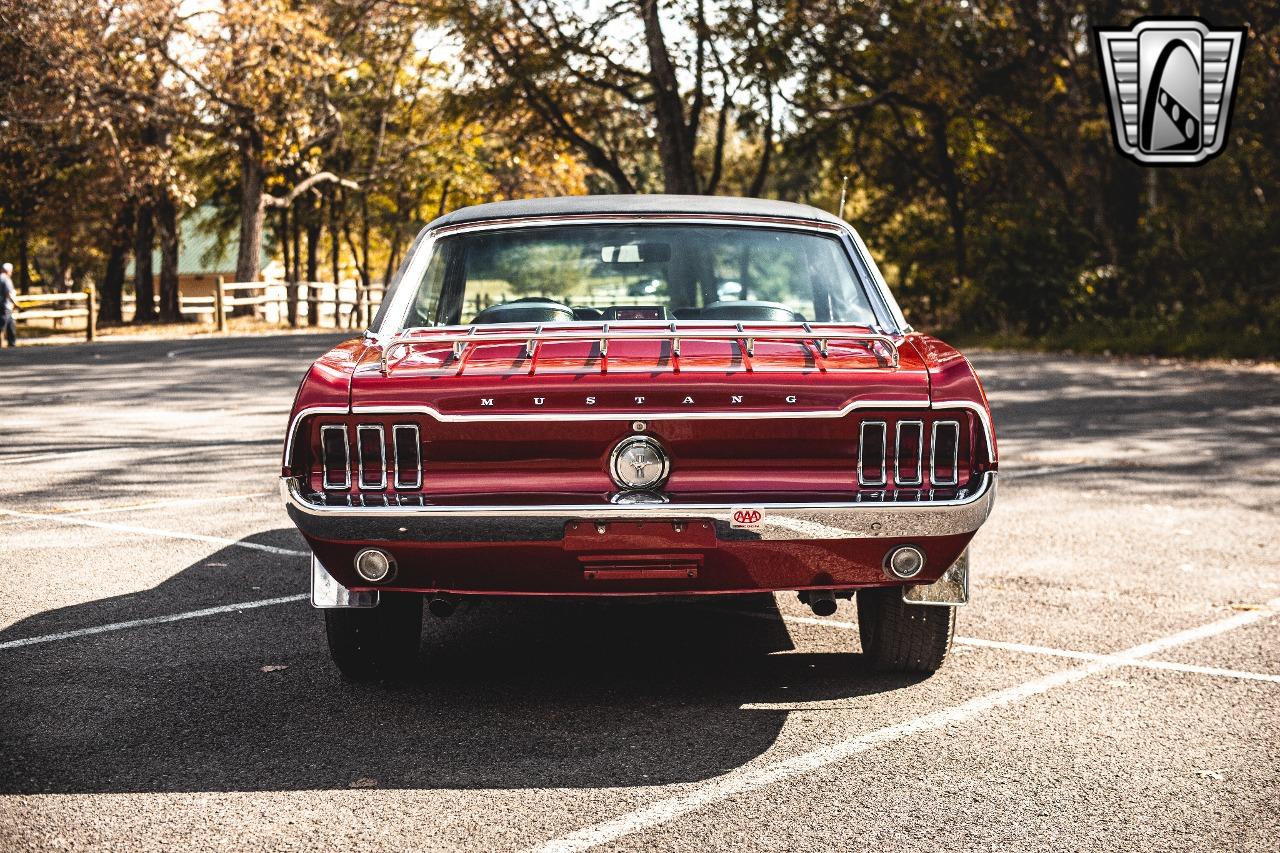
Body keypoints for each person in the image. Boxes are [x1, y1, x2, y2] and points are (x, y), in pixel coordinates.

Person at [0, 262, 17, 347]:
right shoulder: (6, 279)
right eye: (11, 271)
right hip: (5, 306)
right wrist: (15, 303)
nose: (11, 272)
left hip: (3, 306)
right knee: (2, 326)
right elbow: (8, 294)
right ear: (8, 270)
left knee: (11, 324)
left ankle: (12, 344)